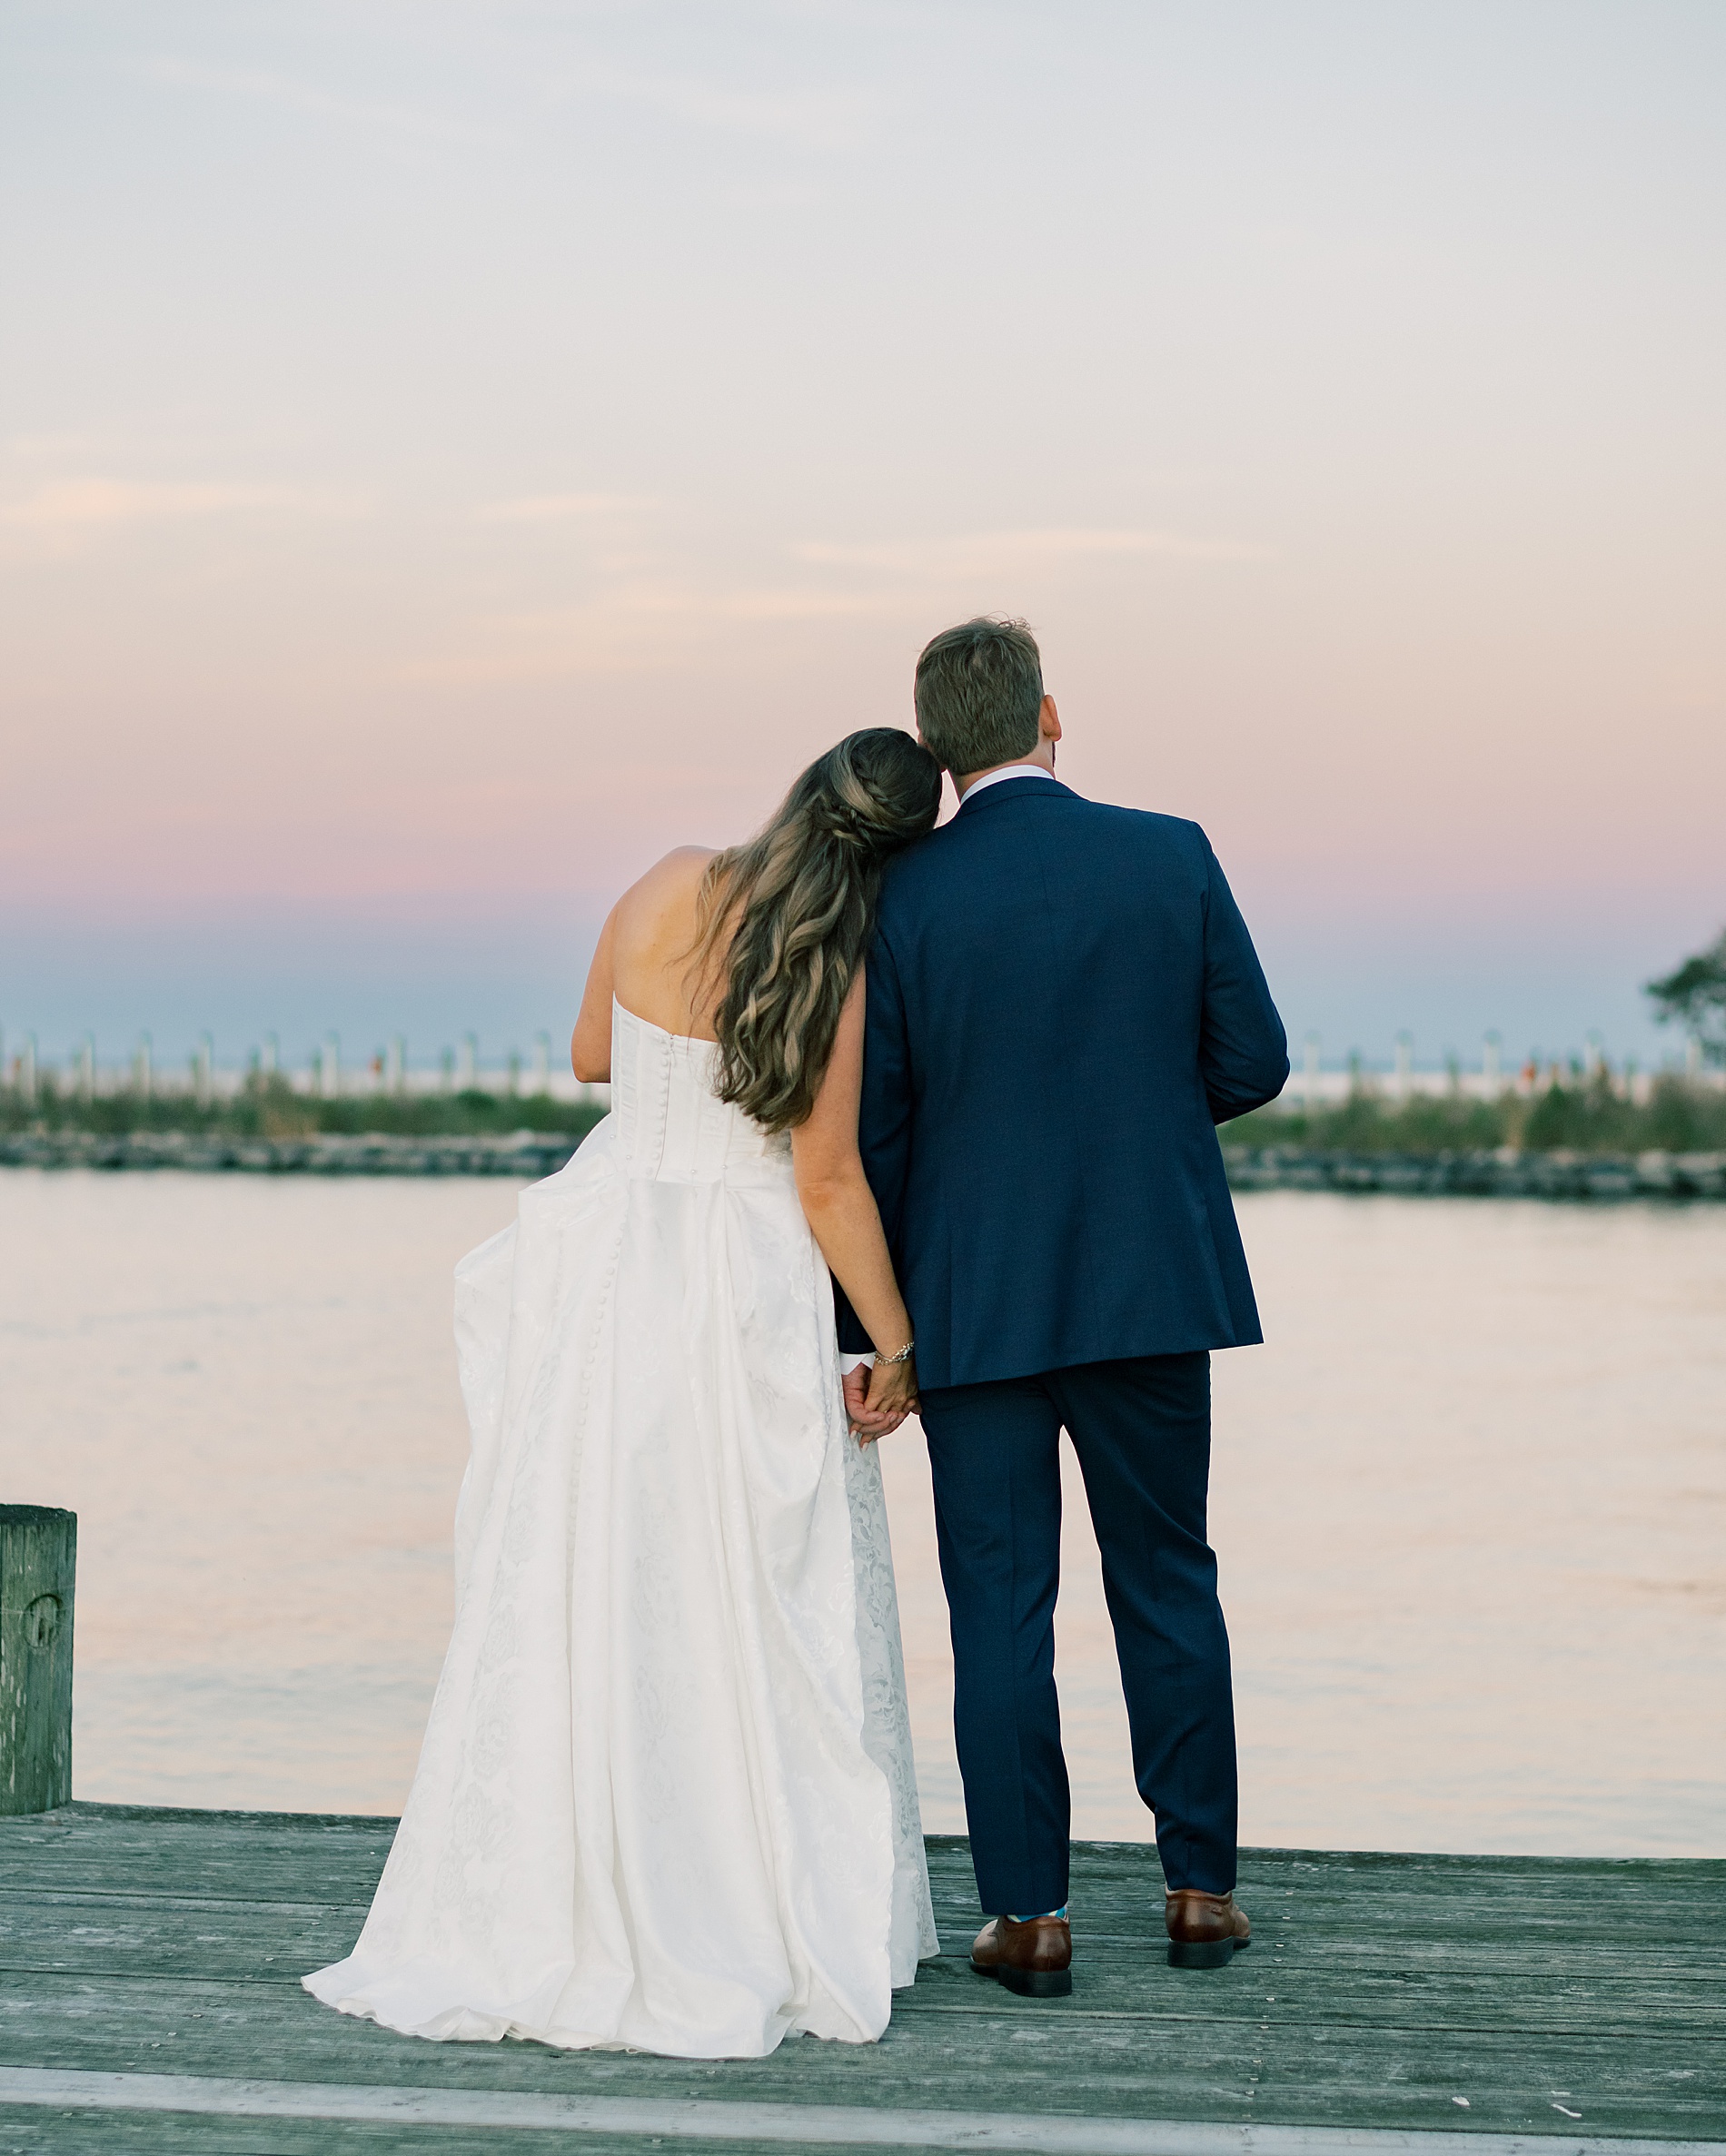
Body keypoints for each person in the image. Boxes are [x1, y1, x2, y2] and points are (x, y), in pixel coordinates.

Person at [305, 728, 942, 2059]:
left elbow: (591, 1051)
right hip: (740, 1275)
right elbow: (827, 1182)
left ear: (802, 783)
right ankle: (737, 1881)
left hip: (610, 1261)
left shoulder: (661, 881)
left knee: (587, 1566)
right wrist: (894, 1341)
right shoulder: (836, 964)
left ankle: (560, 1875)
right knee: (743, 1589)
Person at [839, 618, 1288, 1996]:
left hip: (968, 1303)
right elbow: (1253, 1061)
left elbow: (879, 1128)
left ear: (933, 747)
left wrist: (869, 1332)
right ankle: (1201, 1890)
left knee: (999, 1609)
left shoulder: (898, 895)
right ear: (1050, 713)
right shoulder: (1172, 852)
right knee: (1168, 1580)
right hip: (1149, 1283)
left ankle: (1029, 1917)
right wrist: (1138, 1121)